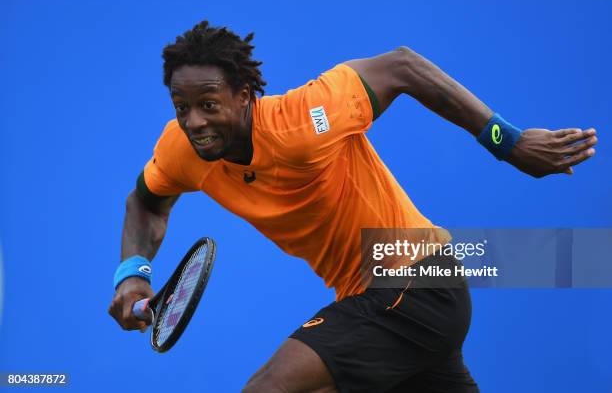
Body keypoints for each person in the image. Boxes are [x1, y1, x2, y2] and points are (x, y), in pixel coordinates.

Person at [108, 21, 597, 393]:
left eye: (208, 105)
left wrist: (507, 142)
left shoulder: (304, 122)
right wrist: (132, 274)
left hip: (415, 278)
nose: (193, 121)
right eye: (181, 107)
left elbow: (403, 66)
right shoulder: (181, 150)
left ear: (244, 97)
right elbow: (145, 203)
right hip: (386, 303)